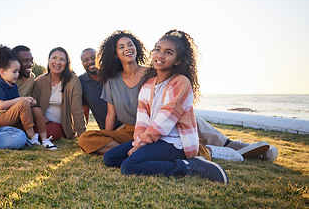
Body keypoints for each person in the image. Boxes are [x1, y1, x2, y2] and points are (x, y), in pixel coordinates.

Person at [79, 48, 278, 162]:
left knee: (188, 119)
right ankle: (202, 149)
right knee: (87, 139)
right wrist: (107, 135)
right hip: (134, 130)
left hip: (164, 121)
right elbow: (110, 114)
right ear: (114, 53)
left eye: (128, 45)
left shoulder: (152, 72)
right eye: (121, 47)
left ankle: (232, 145)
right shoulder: (111, 80)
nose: (126, 50)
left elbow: (173, 103)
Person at [103, 29, 228, 183]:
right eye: (157, 50)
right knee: (110, 158)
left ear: (178, 60)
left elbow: (165, 119)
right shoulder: (147, 85)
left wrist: (139, 145)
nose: (160, 55)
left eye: (168, 52)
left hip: (175, 143)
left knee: (128, 167)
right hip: (155, 140)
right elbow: (142, 121)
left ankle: (189, 166)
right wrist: (137, 142)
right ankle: (152, 160)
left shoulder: (181, 83)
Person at [0, 46, 57, 150]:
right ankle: (31, 136)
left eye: (17, 71)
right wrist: (23, 100)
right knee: (23, 103)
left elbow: (18, 104)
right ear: (3, 72)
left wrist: (30, 101)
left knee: (36, 110)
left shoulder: (14, 85)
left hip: (13, 115)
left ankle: (44, 139)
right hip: (0, 119)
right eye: (14, 72)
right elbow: (1, 105)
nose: (17, 74)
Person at [31, 47, 86, 141]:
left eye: (62, 59)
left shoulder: (73, 81)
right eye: (54, 58)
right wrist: (40, 117)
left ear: (67, 63)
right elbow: (32, 105)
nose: (58, 62)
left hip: (60, 125)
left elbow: (77, 110)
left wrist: (83, 135)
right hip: (40, 123)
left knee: (50, 132)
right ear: (49, 61)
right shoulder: (39, 81)